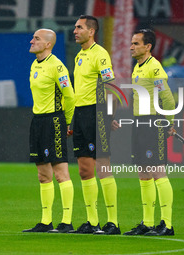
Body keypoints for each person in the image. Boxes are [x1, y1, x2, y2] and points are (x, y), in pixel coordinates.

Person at [22, 29, 75, 233]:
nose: (32, 40)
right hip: (38, 121)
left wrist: (68, 122)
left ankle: (67, 222)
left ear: (48, 44)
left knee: (61, 173)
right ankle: (46, 222)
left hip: (54, 120)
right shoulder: (35, 64)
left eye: (36, 39)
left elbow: (69, 96)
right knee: (43, 175)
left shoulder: (57, 66)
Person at [71, 15, 120, 235]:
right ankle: (92, 222)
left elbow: (111, 87)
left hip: (95, 112)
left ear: (91, 31)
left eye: (79, 27)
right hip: (80, 114)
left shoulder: (100, 54)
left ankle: (113, 223)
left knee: (103, 166)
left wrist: (108, 116)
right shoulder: (79, 55)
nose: (75, 30)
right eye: (75, 27)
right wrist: (73, 118)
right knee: (84, 169)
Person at [124, 29, 176, 236]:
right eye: (131, 42)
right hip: (139, 123)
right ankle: (147, 223)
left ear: (148, 47)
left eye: (136, 43)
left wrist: (169, 124)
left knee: (157, 173)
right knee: (144, 174)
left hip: (153, 122)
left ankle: (167, 224)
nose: (131, 46)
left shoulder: (154, 68)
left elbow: (169, 99)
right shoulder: (137, 68)